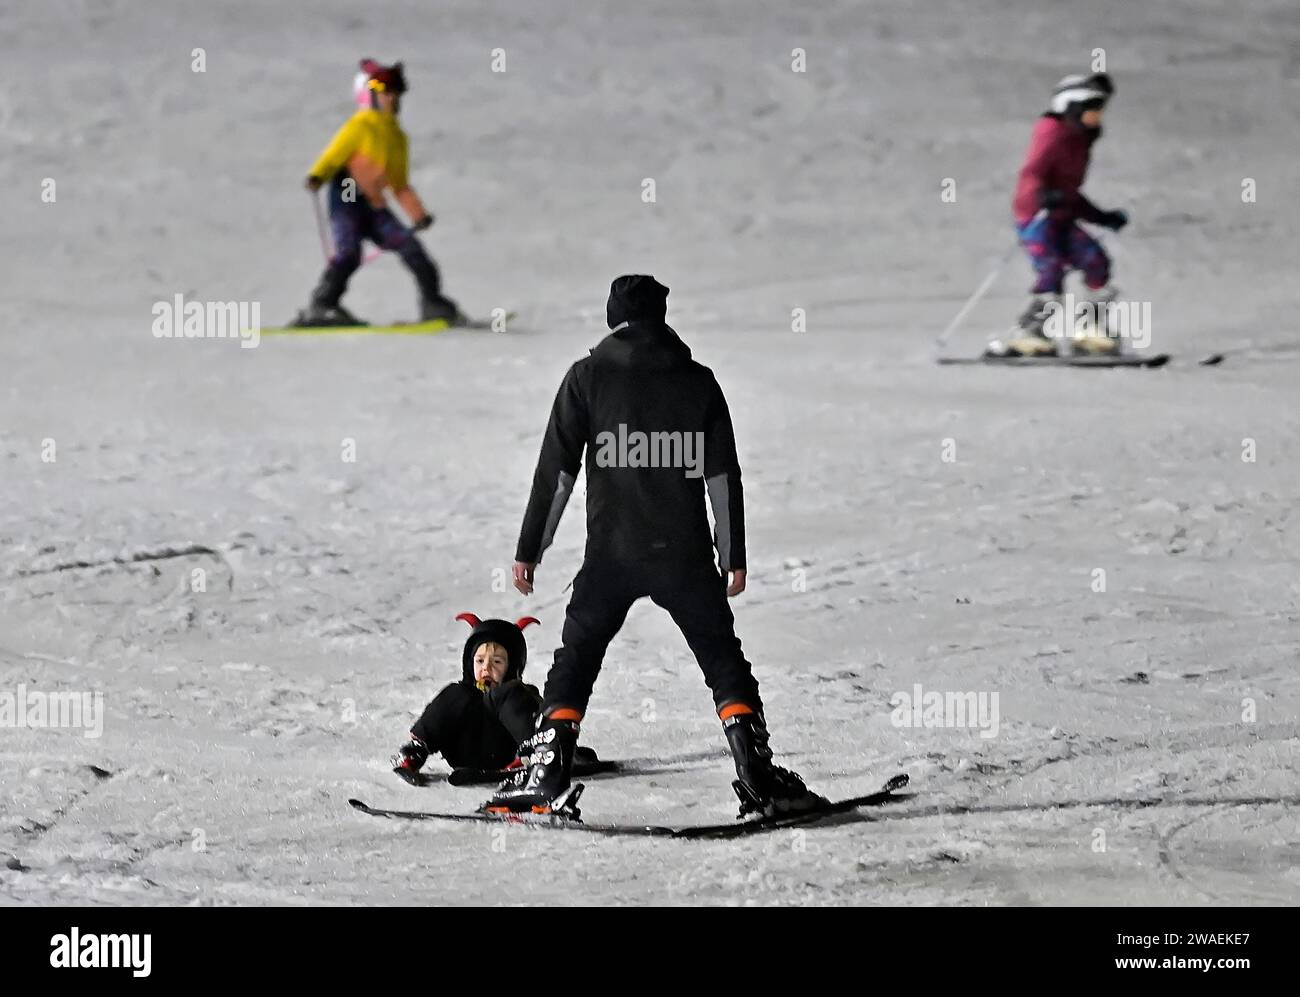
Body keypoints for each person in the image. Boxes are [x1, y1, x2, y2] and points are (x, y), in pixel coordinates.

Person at [483, 274, 825, 818]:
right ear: (663, 318)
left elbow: (557, 472)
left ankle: (547, 773)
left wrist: (531, 548)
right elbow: (722, 476)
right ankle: (757, 775)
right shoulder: (698, 381)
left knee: (577, 657)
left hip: (611, 557)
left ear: (612, 317)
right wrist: (732, 554)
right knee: (721, 658)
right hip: (684, 556)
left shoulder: (586, 378)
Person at [292, 59, 462, 328]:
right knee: (349, 253)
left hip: (374, 204)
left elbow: (400, 184)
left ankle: (434, 303)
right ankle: (323, 306)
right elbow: (334, 155)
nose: (393, 99)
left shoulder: (397, 138)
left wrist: (418, 215)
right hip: (347, 197)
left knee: (412, 249)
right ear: (369, 95)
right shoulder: (360, 127)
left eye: (396, 94)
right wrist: (318, 175)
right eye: (386, 93)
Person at [997, 71, 1129, 357]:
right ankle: (1029, 334)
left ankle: (1090, 328)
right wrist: (1042, 196)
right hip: (1037, 218)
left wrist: (1100, 216)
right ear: (1073, 107)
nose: (1098, 118)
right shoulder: (1052, 133)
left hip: (1061, 216)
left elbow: (1069, 191)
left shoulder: (1078, 140)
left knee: (1095, 261)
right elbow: (1032, 173)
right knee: (1051, 269)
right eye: (1093, 111)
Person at [391, 613, 542, 783]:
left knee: (513, 694)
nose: (486, 668)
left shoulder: (520, 694)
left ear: (512, 666)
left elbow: (535, 711)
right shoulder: (463, 695)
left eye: (497, 662)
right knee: (456, 693)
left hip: (508, 752)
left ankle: (538, 752)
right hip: (465, 754)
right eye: (480, 661)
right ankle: (414, 752)